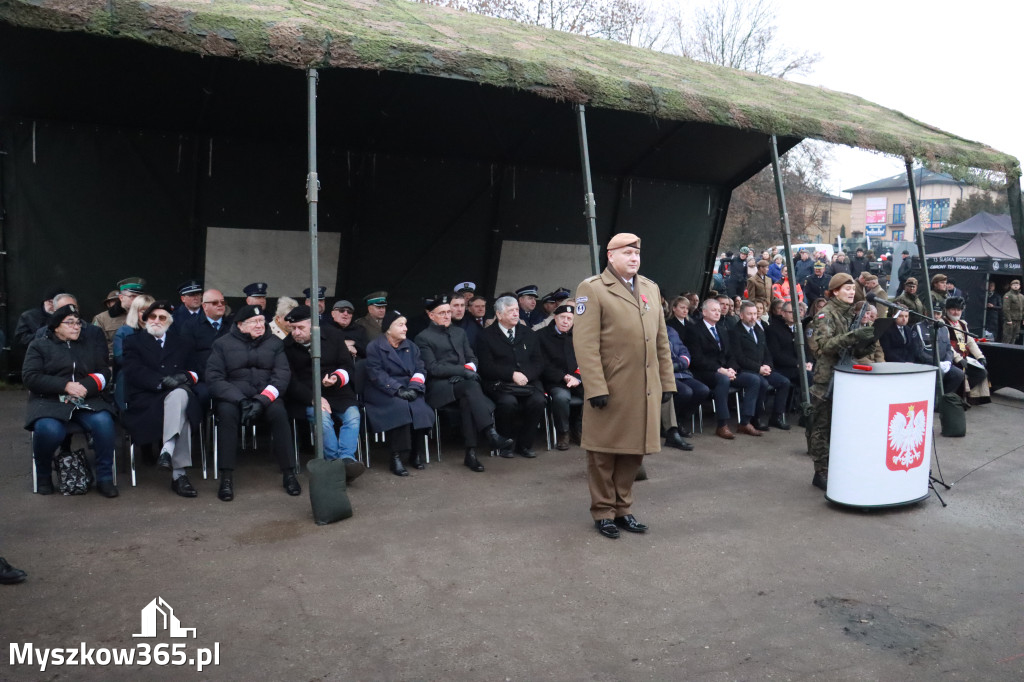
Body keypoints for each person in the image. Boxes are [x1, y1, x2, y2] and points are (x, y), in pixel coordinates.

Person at [573, 233, 674, 539]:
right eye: (627, 253)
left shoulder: (650, 288)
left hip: (643, 387)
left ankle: (623, 508)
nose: (634, 258)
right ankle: (603, 511)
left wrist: (666, 380)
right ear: (611, 256)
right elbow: (585, 343)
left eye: (637, 254)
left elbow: (661, 340)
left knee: (633, 451)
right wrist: (595, 387)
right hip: (611, 386)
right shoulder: (592, 289)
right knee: (603, 452)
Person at [23, 304, 119, 497]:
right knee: (49, 430)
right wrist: (64, 386)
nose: (76, 327)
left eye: (78, 323)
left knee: (104, 423)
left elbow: (104, 372)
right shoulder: (39, 346)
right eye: (70, 323)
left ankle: (105, 477)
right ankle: (43, 475)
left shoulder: (88, 344)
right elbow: (30, 377)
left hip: (87, 400)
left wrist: (85, 387)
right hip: (50, 402)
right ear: (56, 326)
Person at [207, 304, 299, 501]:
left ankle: (289, 473)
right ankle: (226, 477)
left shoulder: (275, 343)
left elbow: (282, 375)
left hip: (264, 396)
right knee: (226, 414)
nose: (260, 325)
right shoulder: (222, 344)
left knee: (279, 413)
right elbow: (214, 378)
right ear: (240, 325)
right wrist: (240, 400)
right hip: (234, 397)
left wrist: (262, 400)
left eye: (261, 321)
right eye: (254, 322)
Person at [415, 295, 512, 470]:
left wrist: (466, 371)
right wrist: (463, 371)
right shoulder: (423, 337)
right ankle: (490, 433)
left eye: (448, 312)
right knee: (470, 387)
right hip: (439, 388)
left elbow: (472, 357)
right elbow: (434, 368)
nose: (447, 316)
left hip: (464, 385)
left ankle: (471, 453)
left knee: (468, 396)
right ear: (431, 316)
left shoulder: (459, 333)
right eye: (442, 313)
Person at [122, 301, 202, 497]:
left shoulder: (182, 342)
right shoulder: (133, 342)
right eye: (152, 317)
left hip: (175, 396)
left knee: (181, 396)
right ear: (145, 319)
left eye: (162, 317)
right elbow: (133, 372)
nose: (156, 321)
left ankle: (167, 450)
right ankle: (179, 475)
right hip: (146, 401)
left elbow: (197, 370)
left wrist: (185, 376)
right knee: (183, 406)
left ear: (170, 321)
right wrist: (160, 382)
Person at [807, 274, 877, 490]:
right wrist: (855, 335)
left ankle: (835, 467)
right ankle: (821, 472)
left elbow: (852, 351)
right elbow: (825, 346)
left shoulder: (847, 315)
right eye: (846, 289)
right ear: (835, 291)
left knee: (839, 428)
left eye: (852, 289)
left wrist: (869, 341)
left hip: (844, 378)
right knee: (821, 428)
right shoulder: (825, 315)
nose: (851, 292)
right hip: (826, 380)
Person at [283, 305, 365, 482]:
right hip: (307, 395)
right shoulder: (287, 346)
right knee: (323, 420)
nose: (296, 333)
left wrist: (336, 377)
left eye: (300, 328)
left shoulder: (333, 336)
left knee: (353, 416)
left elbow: (347, 366)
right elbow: (290, 380)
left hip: (338, 391)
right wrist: (313, 398)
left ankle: (347, 459)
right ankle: (334, 463)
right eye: (292, 328)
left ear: (313, 325)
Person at [364, 310, 434, 476]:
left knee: (420, 409)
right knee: (400, 408)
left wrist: (415, 387)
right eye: (400, 325)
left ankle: (415, 452)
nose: (405, 328)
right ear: (388, 328)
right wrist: (397, 389)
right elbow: (376, 374)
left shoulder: (411, 346)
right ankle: (396, 456)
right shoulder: (374, 347)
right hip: (382, 391)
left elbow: (420, 369)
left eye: (405, 324)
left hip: (410, 388)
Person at [477, 296, 547, 458]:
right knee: (508, 403)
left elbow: (538, 362)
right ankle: (505, 444)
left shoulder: (528, 333)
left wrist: (526, 376)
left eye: (517, 310)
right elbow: (486, 366)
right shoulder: (486, 336)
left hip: (528, 382)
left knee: (538, 401)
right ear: (499, 315)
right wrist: (511, 374)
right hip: (500, 383)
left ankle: (525, 445)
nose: (516, 314)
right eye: (511, 311)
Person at [731, 301, 791, 430]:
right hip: (747, 370)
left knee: (784, 382)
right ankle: (755, 418)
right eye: (749, 314)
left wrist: (768, 365)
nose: (753, 317)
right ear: (741, 315)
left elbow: (766, 351)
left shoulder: (758, 329)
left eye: (755, 314)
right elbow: (739, 357)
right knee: (761, 383)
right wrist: (758, 369)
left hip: (763, 369)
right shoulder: (735, 332)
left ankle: (776, 417)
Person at [536, 302, 585, 450]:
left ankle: (579, 429)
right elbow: (541, 363)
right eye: (562, 317)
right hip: (555, 381)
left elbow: (587, 358)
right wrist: (564, 377)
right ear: (555, 318)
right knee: (561, 398)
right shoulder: (541, 336)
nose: (566, 321)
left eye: (570, 319)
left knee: (594, 394)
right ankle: (563, 433)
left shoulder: (580, 335)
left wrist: (577, 377)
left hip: (577, 379)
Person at [112, 294, 156, 412]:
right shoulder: (124, 331)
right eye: (142, 311)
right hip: (131, 376)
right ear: (135, 312)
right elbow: (120, 358)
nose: (147, 314)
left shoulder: (161, 331)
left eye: (150, 310)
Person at [666, 325, 707, 442]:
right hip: (665, 374)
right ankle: (671, 424)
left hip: (681, 371)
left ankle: (681, 420)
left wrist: (682, 362)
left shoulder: (671, 330)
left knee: (702, 390)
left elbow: (684, 350)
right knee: (685, 392)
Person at [944, 297, 989, 405]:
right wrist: (958, 359)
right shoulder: (943, 323)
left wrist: (980, 356)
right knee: (960, 373)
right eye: (953, 309)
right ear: (947, 309)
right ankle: (952, 396)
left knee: (981, 372)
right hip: (950, 358)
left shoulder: (963, 324)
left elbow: (970, 342)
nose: (956, 312)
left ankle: (964, 394)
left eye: (959, 310)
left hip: (964, 357)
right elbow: (946, 345)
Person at [92, 277, 145, 358]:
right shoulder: (101, 319)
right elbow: (97, 347)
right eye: (132, 296)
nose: (136, 300)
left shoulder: (150, 316)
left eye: (139, 297)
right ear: (121, 297)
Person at [1002, 279, 1023, 344]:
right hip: (1010, 320)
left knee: (1015, 337)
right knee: (1007, 337)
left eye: (1017, 285)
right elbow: (1006, 308)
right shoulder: (1008, 295)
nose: (1016, 286)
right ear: (1011, 286)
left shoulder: (1022, 296)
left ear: (1019, 286)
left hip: (1018, 320)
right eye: (1014, 285)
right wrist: (1009, 320)